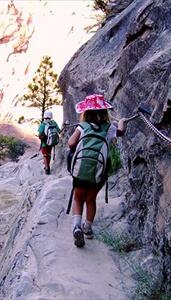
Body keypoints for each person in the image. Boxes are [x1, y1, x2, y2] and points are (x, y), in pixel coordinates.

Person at [68, 94, 127, 247]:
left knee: (78, 198)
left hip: (80, 170)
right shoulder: (109, 128)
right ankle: (87, 228)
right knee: (91, 199)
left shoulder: (83, 126)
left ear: (85, 112)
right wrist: (121, 122)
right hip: (98, 171)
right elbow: (121, 132)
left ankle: (76, 227)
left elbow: (71, 143)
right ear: (105, 112)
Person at [38, 110, 60, 175]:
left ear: (44, 116)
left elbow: (40, 134)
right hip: (51, 142)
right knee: (49, 154)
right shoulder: (54, 123)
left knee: (45, 155)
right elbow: (59, 131)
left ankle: (47, 168)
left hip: (44, 143)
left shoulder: (43, 124)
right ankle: (48, 167)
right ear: (51, 116)